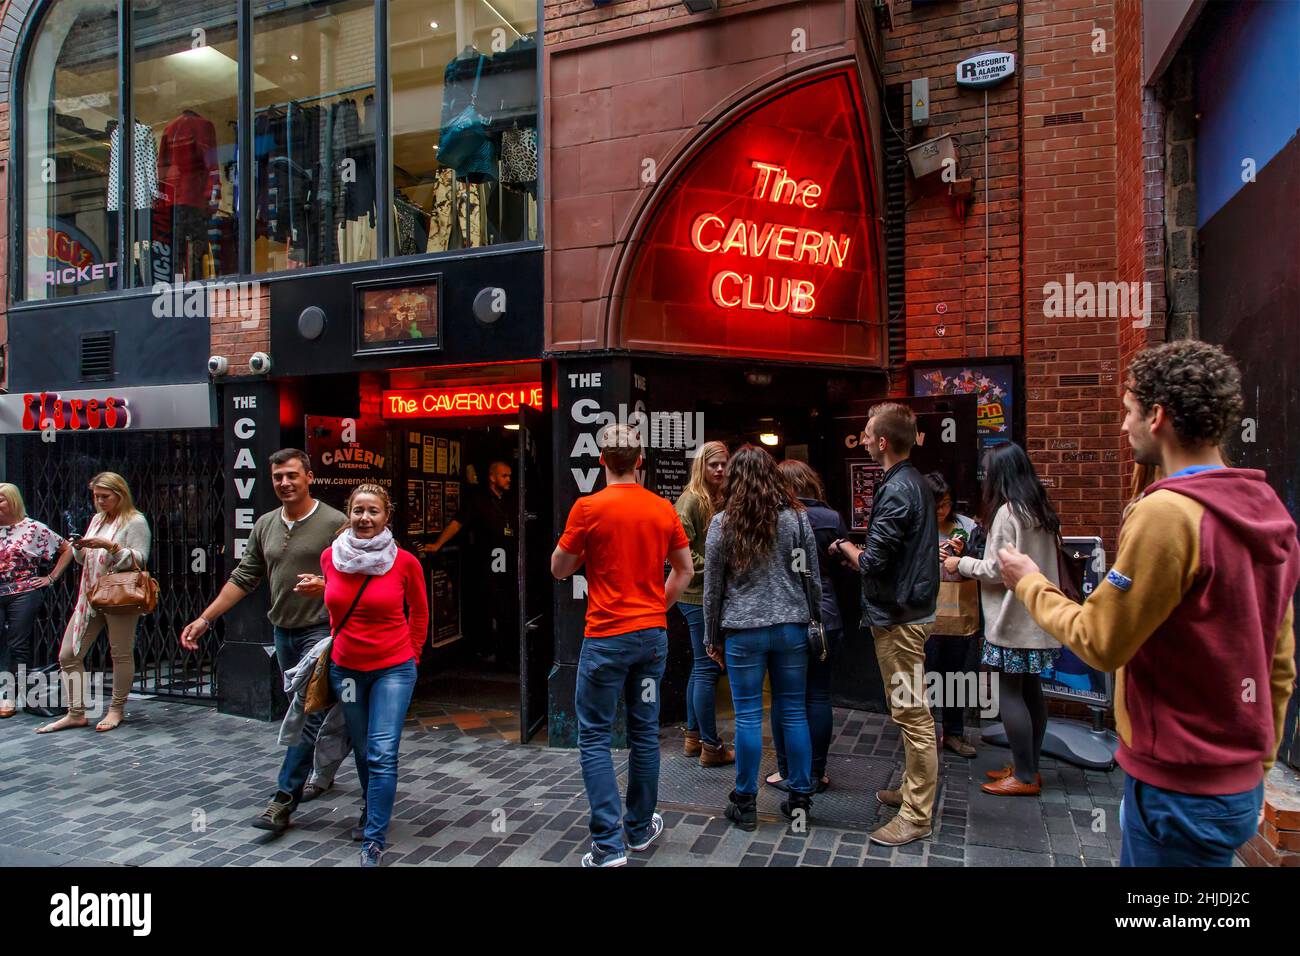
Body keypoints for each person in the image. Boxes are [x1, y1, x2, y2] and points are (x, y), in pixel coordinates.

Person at [999, 340, 1298, 866]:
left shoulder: (1168, 515)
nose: (1122, 426)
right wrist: (1257, 763)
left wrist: (1029, 581)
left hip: (1176, 785)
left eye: (1127, 411)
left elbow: (1101, 640)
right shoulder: (1266, 509)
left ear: (1156, 416)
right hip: (1235, 783)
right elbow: (1279, 661)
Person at [179, 449, 349, 832]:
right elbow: (244, 577)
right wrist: (206, 618)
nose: (285, 483)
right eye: (277, 478)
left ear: (309, 477)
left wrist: (326, 585)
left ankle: (283, 799)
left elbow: (355, 577)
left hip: (321, 630)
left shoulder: (334, 523)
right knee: (308, 711)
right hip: (283, 630)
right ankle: (327, 763)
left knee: (305, 712)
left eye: (292, 475)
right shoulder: (266, 524)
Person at [551, 423, 694, 867]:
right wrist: (657, 605)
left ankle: (607, 846)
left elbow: (559, 569)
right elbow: (685, 570)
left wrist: (582, 553)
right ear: (640, 461)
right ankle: (637, 830)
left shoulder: (587, 508)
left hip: (606, 638)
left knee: (594, 736)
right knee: (644, 733)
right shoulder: (662, 508)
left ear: (601, 461)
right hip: (651, 638)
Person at [829, 402, 939, 847]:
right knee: (910, 711)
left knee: (913, 715)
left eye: (867, 432)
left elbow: (874, 561)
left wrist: (844, 548)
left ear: (882, 442)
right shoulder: (913, 482)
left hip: (898, 617)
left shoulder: (896, 490)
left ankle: (916, 814)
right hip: (909, 610)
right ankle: (913, 793)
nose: (863, 437)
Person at [704, 445, 821, 831]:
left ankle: (745, 801)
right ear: (773, 477)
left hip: (743, 630)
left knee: (749, 717)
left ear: (735, 479)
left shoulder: (723, 524)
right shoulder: (798, 521)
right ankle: (800, 797)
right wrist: (813, 617)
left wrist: (711, 636)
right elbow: (810, 577)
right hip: (791, 627)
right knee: (793, 712)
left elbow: (713, 587)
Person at [944, 444, 1063, 795]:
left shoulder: (1007, 514)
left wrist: (959, 564)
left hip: (1012, 618)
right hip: (1037, 615)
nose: (984, 476)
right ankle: (1028, 767)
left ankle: (1024, 778)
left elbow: (996, 570)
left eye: (987, 470)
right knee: (1031, 693)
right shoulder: (1038, 509)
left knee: (1010, 694)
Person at [323, 483, 429, 867]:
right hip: (347, 670)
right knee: (364, 749)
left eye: (373, 511)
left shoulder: (404, 562)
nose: (364, 518)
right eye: (358, 511)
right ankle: (372, 805)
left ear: (387, 516)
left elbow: (419, 611)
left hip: (393, 669)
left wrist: (413, 657)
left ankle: (373, 839)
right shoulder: (329, 558)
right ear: (348, 514)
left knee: (383, 752)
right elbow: (334, 607)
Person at [38, 472, 151, 734]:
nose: (99, 501)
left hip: (119, 595)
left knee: (120, 653)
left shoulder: (135, 521)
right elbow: (83, 559)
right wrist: (81, 547)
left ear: (120, 495)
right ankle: (76, 713)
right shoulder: (98, 519)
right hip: (90, 595)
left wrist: (110, 547)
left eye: (105, 497)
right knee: (68, 654)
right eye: (96, 496)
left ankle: (116, 709)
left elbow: (140, 559)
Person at [765, 459, 850, 794]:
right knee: (818, 694)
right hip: (825, 616)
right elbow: (843, 567)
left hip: (787, 615)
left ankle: (787, 770)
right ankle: (816, 773)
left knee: (786, 698)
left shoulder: (774, 519)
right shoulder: (831, 519)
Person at [673, 440, 733, 767]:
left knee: (700, 667)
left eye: (724, 464)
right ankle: (712, 746)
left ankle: (693, 738)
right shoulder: (691, 500)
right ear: (701, 466)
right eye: (714, 465)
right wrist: (713, 568)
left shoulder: (716, 498)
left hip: (703, 596)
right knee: (708, 667)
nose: (720, 470)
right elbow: (678, 547)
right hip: (696, 596)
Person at [426, 460, 516, 668]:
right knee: (486, 605)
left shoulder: (510, 500)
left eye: (510, 476)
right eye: (504, 476)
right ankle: (486, 649)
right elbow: (457, 523)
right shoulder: (478, 500)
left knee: (507, 606)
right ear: (492, 477)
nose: (509, 480)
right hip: (484, 564)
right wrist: (438, 544)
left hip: (509, 564)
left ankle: (507, 652)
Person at [0, 483, 74, 718]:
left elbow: (67, 548)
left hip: (22, 592)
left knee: (16, 645)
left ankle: (10, 697)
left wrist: (51, 578)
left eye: (1, 499)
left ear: (13, 501)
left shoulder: (32, 528)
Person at [926, 471, 981, 758]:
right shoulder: (914, 527)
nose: (941, 511)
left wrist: (963, 558)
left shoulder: (966, 527)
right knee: (923, 677)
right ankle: (923, 737)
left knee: (954, 676)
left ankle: (954, 733)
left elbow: (983, 563)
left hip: (957, 615)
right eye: (935, 504)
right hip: (922, 615)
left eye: (946, 503)